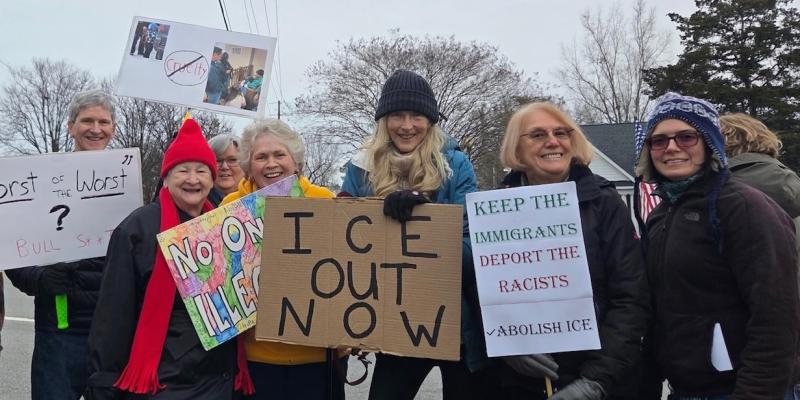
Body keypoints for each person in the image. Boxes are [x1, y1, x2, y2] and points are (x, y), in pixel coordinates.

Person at [634, 93, 799, 399]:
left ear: (709, 143)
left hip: (745, 389)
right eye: (659, 140)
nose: (671, 147)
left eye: (686, 137)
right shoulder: (661, 214)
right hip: (685, 389)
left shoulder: (744, 207)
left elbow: (776, 317)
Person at [340, 69, 485, 400]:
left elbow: (472, 248)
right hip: (394, 327)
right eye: (397, 116)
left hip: (456, 325)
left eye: (417, 115)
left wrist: (422, 223)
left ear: (430, 120)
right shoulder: (361, 169)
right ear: (383, 120)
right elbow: (346, 248)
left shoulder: (457, 165)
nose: (407, 125)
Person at [491, 102, 650, 400]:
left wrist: (596, 381)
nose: (553, 141)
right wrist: (509, 347)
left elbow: (631, 298)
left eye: (561, 132)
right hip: (522, 383)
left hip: (598, 380)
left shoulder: (605, 203)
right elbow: (485, 293)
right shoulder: (495, 211)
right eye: (537, 135)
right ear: (517, 148)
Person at [86, 118, 253, 399]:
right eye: (182, 170)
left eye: (201, 171)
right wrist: (103, 383)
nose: (193, 179)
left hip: (220, 381)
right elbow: (113, 315)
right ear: (166, 177)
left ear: (212, 179)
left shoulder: (225, 227)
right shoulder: (137, 229)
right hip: (163, 383)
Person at [219, 118, 343, 400]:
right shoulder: (230, 208)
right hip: (255, 363)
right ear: (249, 166)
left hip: (316, 361)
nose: (271, 163)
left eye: (279, 154)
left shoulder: (323, 200)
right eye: (261, 156)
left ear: (295, 161)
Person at [6, 89, 116, 400]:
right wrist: (38, 277)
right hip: (59, 331)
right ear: (71, 127)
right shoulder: (42, 177)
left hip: (112, 334)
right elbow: (14, 246)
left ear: (113, 128)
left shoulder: (128, 178)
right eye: (87, 121)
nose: (96, 128)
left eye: (103, 122)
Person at [208, 134, 245, 206]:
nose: (225, 167)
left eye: (232, 160)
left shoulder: (261, 198)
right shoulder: (196, 205)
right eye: (218, 160)